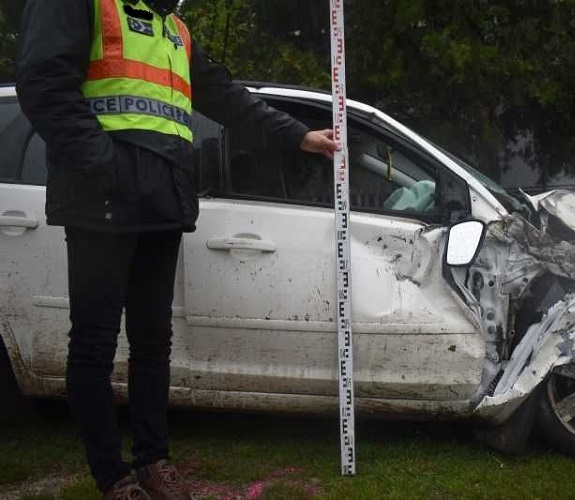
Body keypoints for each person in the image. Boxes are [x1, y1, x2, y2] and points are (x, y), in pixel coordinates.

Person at [15, 0, 339, 498]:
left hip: (161, 203)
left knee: (153, 344)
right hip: (100, 202)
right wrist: (105, 166)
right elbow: (42, 84)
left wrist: (298, 136)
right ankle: (112, 477)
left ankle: (152, 462)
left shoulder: (175, 30)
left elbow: (227, 97)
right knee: (94, 347)